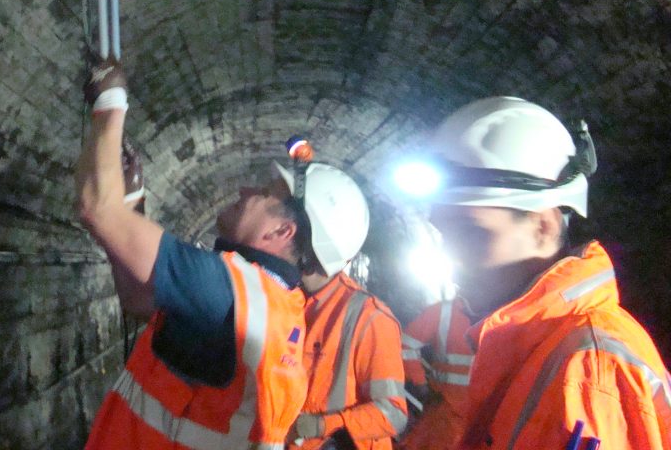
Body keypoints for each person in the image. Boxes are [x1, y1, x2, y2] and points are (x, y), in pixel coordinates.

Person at [77, 62, 319, 449]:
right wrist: (132, 201)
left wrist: (111, 99)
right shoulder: (275, 305)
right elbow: (140, 297)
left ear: (281, 232)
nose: (244, 191)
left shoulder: (227, 288)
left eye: (263, 194)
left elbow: (97, 210)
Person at [410, 96, 671, 449]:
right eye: (443, 232)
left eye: (472, 232)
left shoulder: (587, 370)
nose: (449, 253)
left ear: (543, 226)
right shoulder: (532, 345)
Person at [282, 163, 409, 450]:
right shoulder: (287, 300)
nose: (281, 232)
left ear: (313, 245)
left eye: (290, 228)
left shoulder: (368, 318)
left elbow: (393, 413)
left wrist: (320, 426)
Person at [399, 297, 474, 450]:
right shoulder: (506, 313)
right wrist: (421, 385)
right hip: (450, 415)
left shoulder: (443, 311)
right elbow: (404, 345)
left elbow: (405, 345)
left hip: (445, 412)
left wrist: (421, 387)